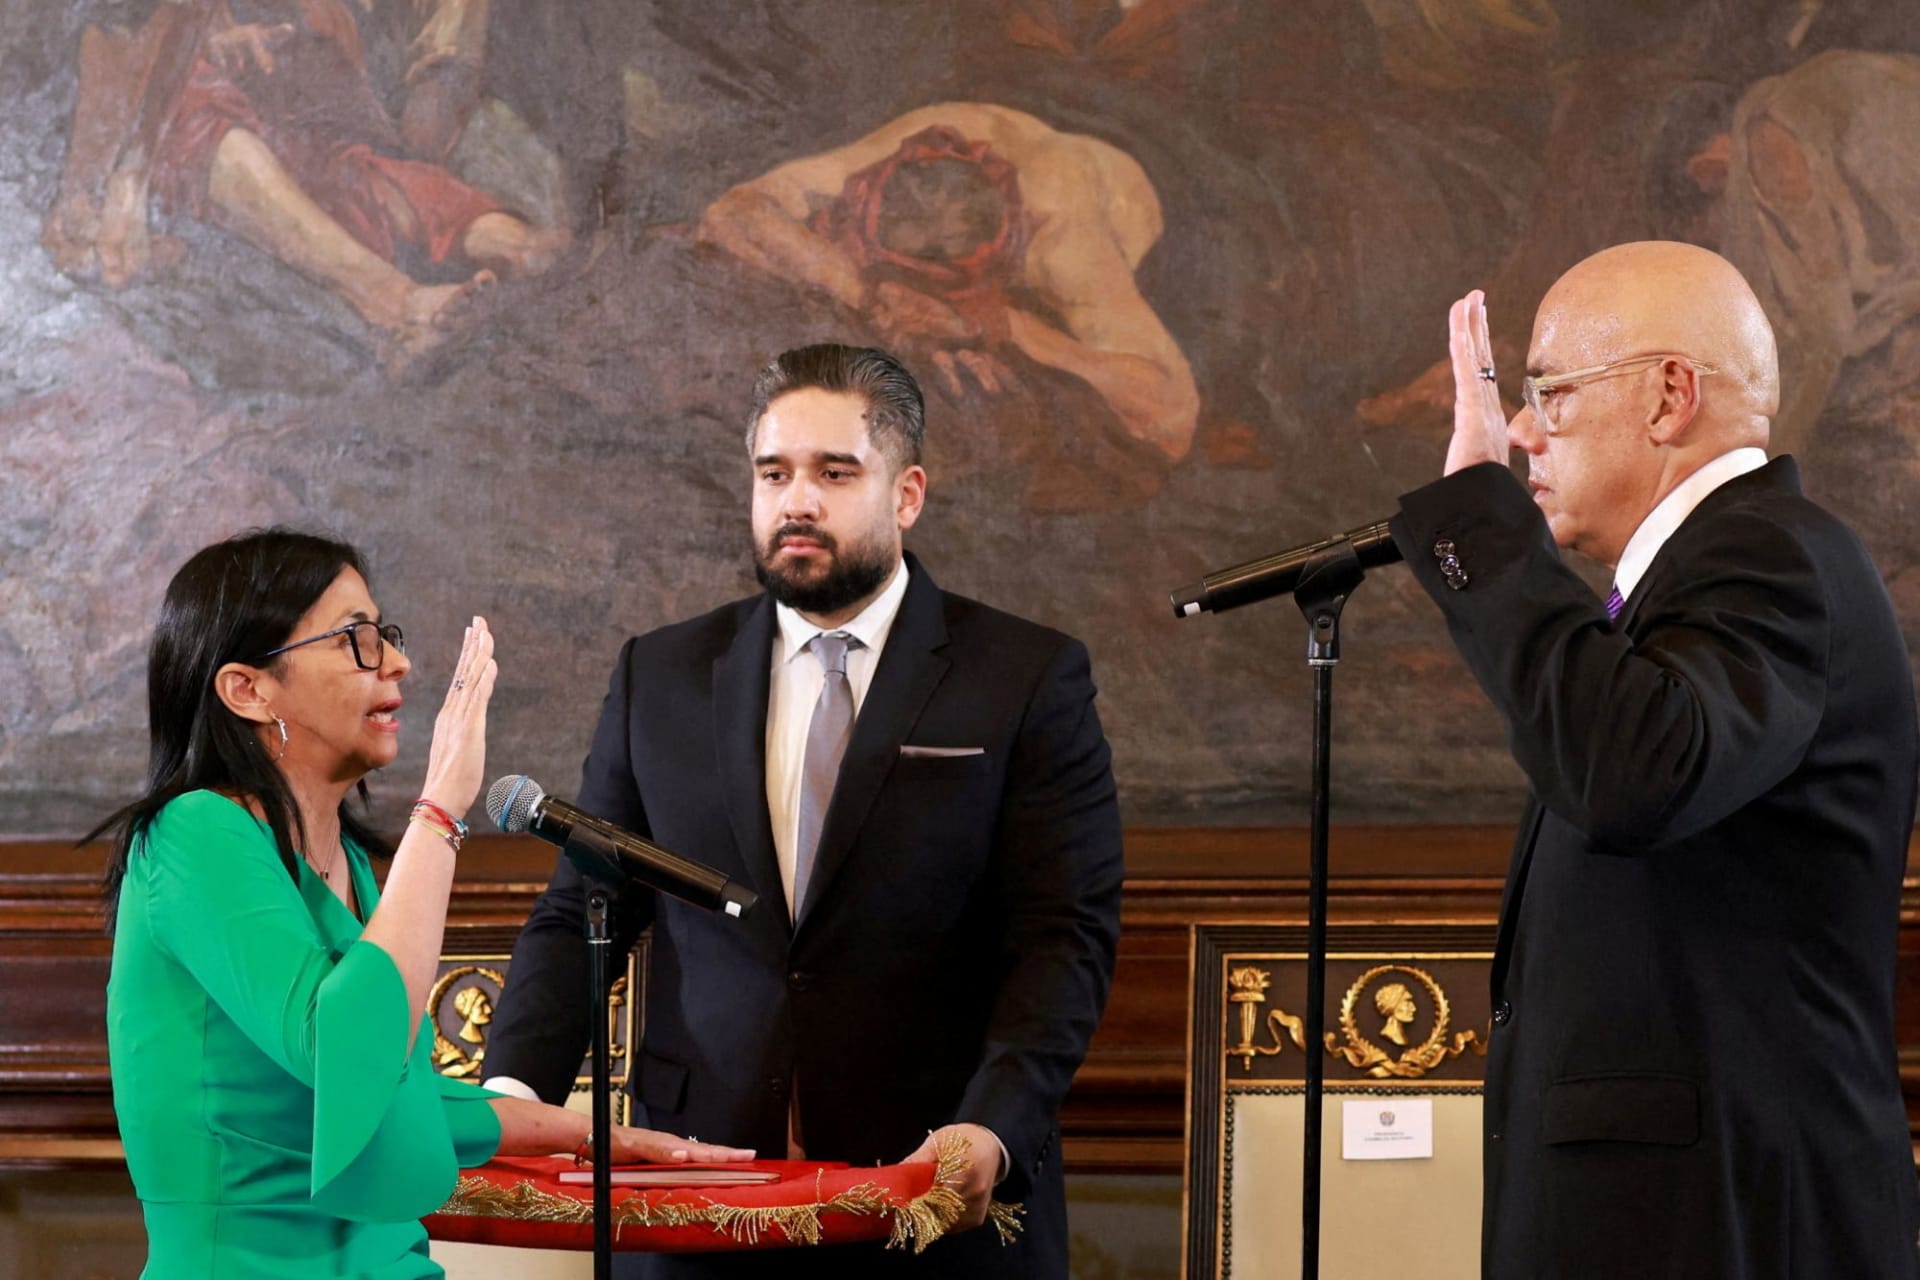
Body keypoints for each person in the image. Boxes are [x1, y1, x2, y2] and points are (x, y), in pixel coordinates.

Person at [482, 343, 1125, 1278]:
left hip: (932, 1197)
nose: (798, 502)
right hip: (694, 1195)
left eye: (834, 473)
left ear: (906, 495)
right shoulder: (660, 675)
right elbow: (581, 910)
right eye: (774, 473)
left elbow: (1063, 937)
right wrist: (509, 1097)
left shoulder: (1025, 677)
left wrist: (991, 1126)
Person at [1387, 242, 1919, 1276]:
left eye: (1551, 392)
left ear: (1669, 395)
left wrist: (1483, 533)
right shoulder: (1696, 579)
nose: (1523, 432)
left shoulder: (1770, 553)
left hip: (1725, 1219)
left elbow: (1628, 771)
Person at [97, 529, 749, 1280]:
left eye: (386, 636)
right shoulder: (193, 833)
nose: (398, 663)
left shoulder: (349, 865)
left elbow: (396, 1102)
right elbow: (343, 1049)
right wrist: (440, 807)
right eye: (357, 641)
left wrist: (592, 1135)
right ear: (248, 688)